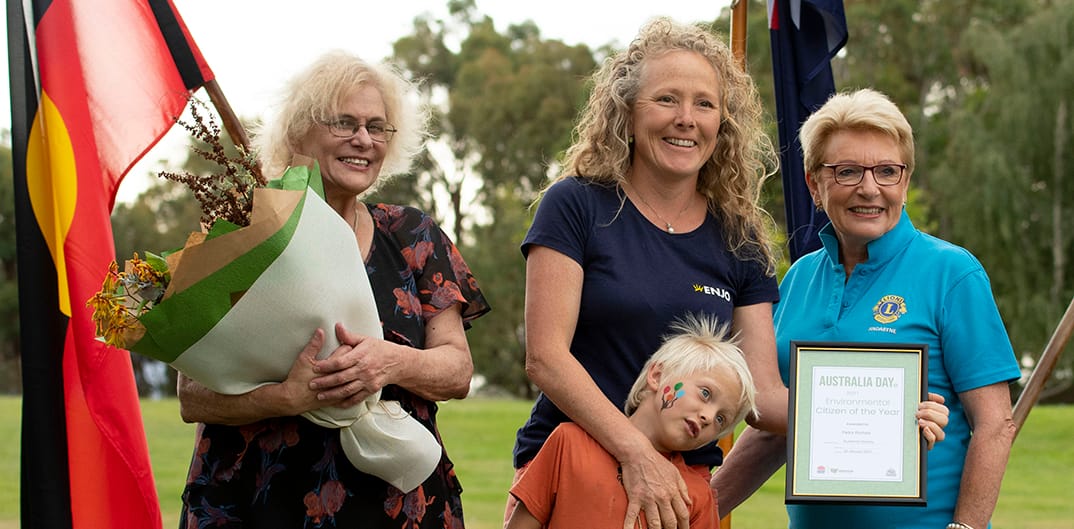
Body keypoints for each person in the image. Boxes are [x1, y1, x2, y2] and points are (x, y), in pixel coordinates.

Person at [176, 51, 490, 528]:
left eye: (376, 126)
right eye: (343, 123)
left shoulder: (415, 236)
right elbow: (192, 394)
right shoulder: (243, 229)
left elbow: (457, 371)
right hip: (258, 503)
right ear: (300, 131)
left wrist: (388, 361)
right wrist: (286, 397)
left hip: (394, 504)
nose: (362, 139)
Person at [508, 17, 790, 529]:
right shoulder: (576, 206)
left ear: (722, 122)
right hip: (573, 471)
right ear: (628, 114)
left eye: (704, 103)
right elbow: (545, 358)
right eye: (666, 99)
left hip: (681, 498)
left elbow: (765, 400)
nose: (687, 118)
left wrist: (886, 413)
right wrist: (638, 453)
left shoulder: (741, 239)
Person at [712, 88, 1017, 529]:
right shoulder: (798, 279)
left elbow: (995, 425)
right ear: (814, 184)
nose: (869, 188)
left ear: (906, 182)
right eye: (848, 171)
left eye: (887, 171)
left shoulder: (952, 273)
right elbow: (778, 431)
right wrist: (696, 512)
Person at [506, 314, 758, 529]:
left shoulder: (696, 497)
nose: (708, 417)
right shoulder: (567, 443)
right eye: (705, 393)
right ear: (657, 376)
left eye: (721, 419)